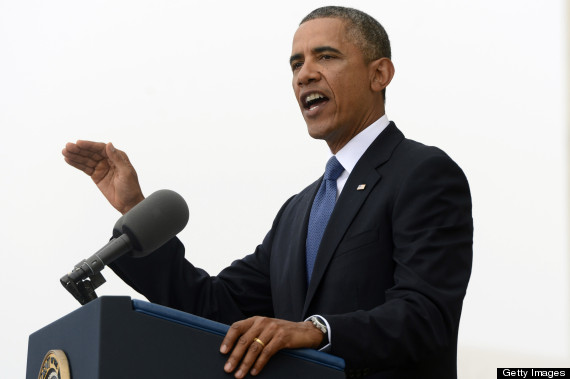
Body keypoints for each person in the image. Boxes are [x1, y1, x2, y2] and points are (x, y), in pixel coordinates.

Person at [62, 6, 473, 379]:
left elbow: (426, 315)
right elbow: (213, 307)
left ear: (379, 74)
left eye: (326, 56)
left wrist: (316, 331)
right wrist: (136, 209)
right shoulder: (298, 212)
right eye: (296, 63)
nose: (304, 74)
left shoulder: (422, 173)